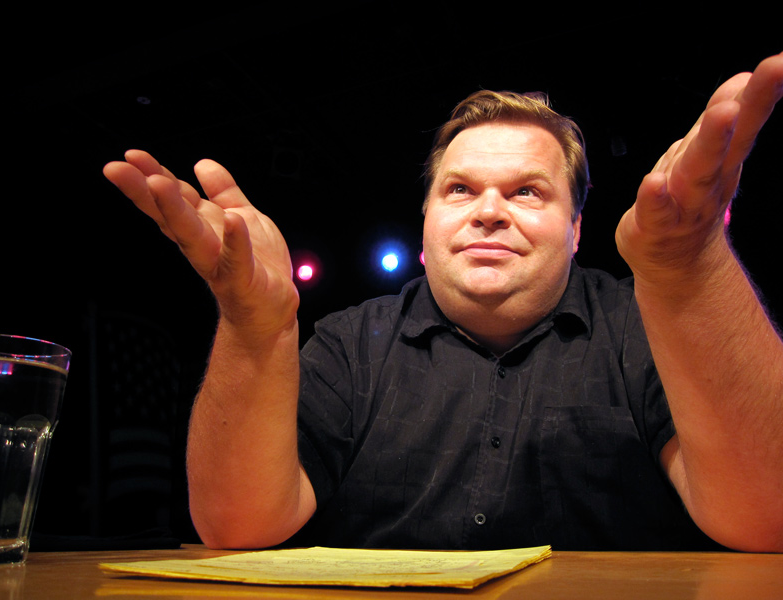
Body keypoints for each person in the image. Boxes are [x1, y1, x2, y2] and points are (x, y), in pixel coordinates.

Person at [103, 52, 783, 552]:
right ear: (426, 222)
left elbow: (767, 519)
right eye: (459, 189)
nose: (488, 211)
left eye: (527, 191)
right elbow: (237, 527)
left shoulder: (645, 328)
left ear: (576, 230)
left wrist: (689, 269)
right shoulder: (348, 345)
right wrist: (253, 328)